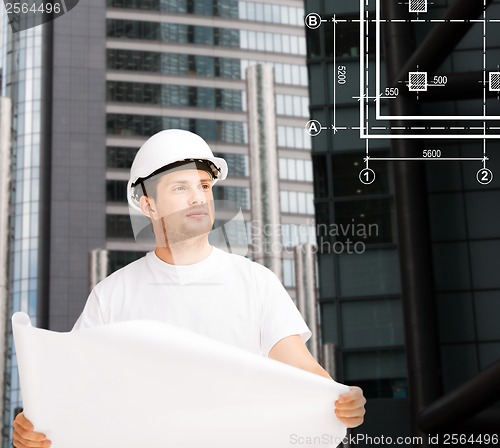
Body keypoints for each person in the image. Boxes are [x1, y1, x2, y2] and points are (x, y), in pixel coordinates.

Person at [12, 130, 366, 447]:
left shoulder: (255, 282)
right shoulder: (112, 295)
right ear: (148, 204)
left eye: (204, 186)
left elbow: (303, 371)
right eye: (180, 188)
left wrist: (340, 398)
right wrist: (34, 431)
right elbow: (73, 391)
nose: (198, 198)